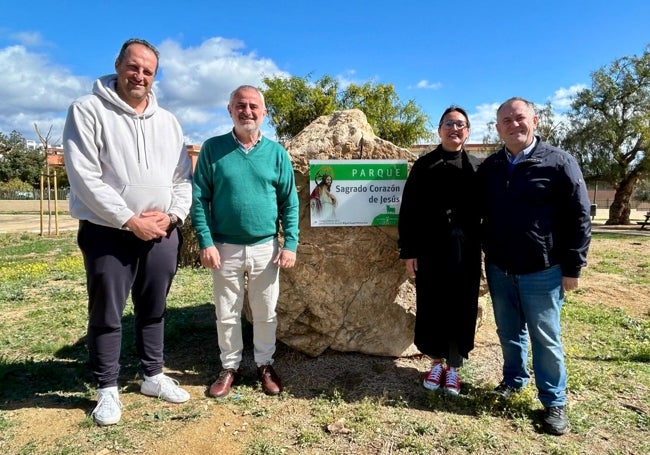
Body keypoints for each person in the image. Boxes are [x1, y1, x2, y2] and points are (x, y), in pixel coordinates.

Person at [62, 38, 193, 426]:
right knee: (107, 312)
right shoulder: (87, 111)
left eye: (148, 71)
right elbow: (84, 177)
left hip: (161, 233)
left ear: (155, 76)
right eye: (133, 67)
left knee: (154, 308)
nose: (140, 76)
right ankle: (107, 388)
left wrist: (172, 218)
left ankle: (153, 376)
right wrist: (129, 219)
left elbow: (181, 178)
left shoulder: (168, 121)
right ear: (119, 65)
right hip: (108, 231)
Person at [477, 97, 591, 435]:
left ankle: (554, 402)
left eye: (519, 118)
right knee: (509, 332)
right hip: (499, 268)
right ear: (498, 128)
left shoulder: (559, 162)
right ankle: (513, 380)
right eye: (506, 121)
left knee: (546, 338)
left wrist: (574, 267)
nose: (514, 125)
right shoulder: (492, 167)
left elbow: (580, 217)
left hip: (543, 271)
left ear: (535, 121)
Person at [190, 85, 299, 398]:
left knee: (266, 312)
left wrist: (290, 243)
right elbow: (200, 199)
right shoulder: (213, 149)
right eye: (241, 105)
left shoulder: (277, 153)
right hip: (224, 247)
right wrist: (206, 241)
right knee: (226, 311)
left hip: (266, 247)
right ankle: (230, 366)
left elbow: (289, 202)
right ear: (229, 110)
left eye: (254, 106)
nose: (247, 111)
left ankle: (265, 364)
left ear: (263, 113)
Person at [397, 106, 482, 396]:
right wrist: (409, 251)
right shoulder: (424, 166)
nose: (454, 128)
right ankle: (435, 363)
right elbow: (408, 211)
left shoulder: (477, 169)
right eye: (449, 123)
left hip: (465, 253)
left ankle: (454, 368)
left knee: (461, 308)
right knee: (432, 306)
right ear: (439, 130)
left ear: (467, 131)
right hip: (431, 251)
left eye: (460, 124)